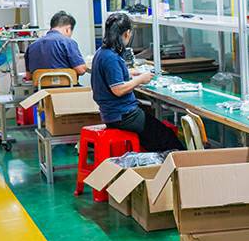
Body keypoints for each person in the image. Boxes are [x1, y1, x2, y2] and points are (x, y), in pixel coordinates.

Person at [91, 12, 183, 152]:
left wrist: (130, 74)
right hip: (123, 116)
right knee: (167, 137)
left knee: (153, 132)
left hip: (111, 113)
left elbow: (109, 76)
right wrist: (140, 79)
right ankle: (177, 161)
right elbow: (118, 90)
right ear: (127, 33)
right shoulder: (111, 57)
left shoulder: (102, 52)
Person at [24, 11, 87, 82]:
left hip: (40, 88)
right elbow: (81, 70)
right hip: (66, 88)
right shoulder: (68, 42)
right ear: (68, 29)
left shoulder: (32, 46)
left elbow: (28, 76)